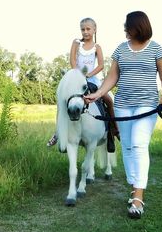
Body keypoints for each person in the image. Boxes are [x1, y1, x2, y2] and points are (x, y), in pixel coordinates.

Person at [84, 11, 162, 220]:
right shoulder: (121, 49)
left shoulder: (155, 48)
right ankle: (135, 187)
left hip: (147, 105)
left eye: (128, 27)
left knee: (140, 144)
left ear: (138, 27)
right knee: (128, 146)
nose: (125, 30)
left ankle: (138, 198)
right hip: (123, 105)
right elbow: (112, 76)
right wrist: (97, 94)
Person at [47, 17, 119, 151]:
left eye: (88, 29)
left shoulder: (97, 47)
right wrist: (78, 74)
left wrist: (89, 75)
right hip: (76, 77)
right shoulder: (76, 43)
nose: (85, 32)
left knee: (108, 99)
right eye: (82, 29)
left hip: (91, 79)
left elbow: (101, 65)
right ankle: (58, 132)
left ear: (94, 29)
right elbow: (73, 60)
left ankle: (113, 129)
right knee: (62, 100)